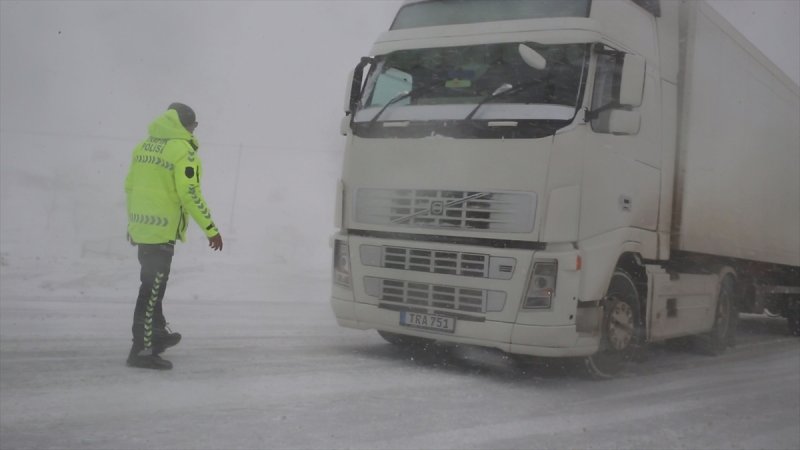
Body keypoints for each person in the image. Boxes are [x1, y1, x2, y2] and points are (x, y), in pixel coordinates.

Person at [124, 102, 223, 370]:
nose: (194, 130)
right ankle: (142, 350)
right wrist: (211, 229)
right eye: (193, 125)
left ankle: (157, 335)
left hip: (144, 229)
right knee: (151, 290)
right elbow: (189, 194)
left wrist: (133, 225)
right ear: (184, 125)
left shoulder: (143, 147)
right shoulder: (183, 152)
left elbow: (131, 187)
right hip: (161, 231)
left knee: (152, 286)